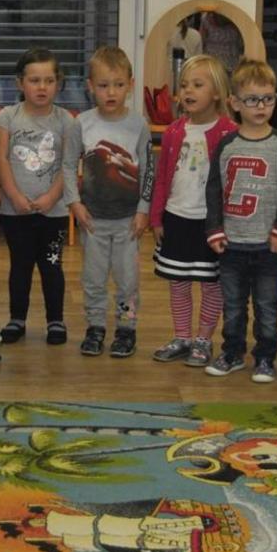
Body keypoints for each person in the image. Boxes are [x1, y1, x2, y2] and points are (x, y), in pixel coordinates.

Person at [204, 60, 277, 384]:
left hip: (268, 245)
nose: (260, 106)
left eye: (268, 99)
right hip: (232, 244)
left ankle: (266, 357)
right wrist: (214, 229)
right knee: (232, 306)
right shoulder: (227, 145)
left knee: (267, 307)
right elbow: (213, 188)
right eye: (252, 99)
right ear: (234, 102)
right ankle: (232, 353)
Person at [64, 45, 155, 359]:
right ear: (90, 86)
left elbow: (148, 169)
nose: (111, 92)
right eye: (103, 85)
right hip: (93, 220)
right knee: (93, 279)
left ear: (130, 85)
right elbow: (67, 165)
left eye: (118, 84)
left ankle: (126, 329)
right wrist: (74, 203)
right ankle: (95, 327)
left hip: (128, 221)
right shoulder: (81, 124)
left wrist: (144, 210)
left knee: (128, 281)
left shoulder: (139, 125)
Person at [150, 55, 237, 368]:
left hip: (211, 224)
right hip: (177, 217)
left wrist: (228, 223)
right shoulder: (174, 131)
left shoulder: (230, 132)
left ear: (217, 93)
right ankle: (183, 337)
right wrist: (156, 217)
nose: (188, 90)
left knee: (211, 283)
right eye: (184, 85)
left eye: (198, 85)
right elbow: (162, 177)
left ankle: (203, 339)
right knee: (178, 282)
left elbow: (233, 183)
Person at [0, 49, 74, 346]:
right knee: (21, 265)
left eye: (49, 80)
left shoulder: (66, 121)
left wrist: (52, 197)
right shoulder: (7, 117)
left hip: (54, 210)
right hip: (17, 211)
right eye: (34, 80)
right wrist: (14, 196)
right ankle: (17, 319)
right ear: (20, 83)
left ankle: (55, 320)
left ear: (58, 83)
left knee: (52, 265)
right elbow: (0, 160)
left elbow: (69, 165)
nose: (42, 87)